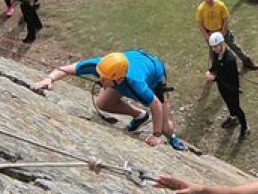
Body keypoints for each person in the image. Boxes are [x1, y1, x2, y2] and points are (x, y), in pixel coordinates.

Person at [31, 50, 186, 150]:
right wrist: (49, 79)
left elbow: (156, 105)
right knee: (102, 103)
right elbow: (66, 69)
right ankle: (139, 116)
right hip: (132, 61)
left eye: (103, 78)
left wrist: (156, 134)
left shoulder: (136, 84)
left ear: (117, 79)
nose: (99, 78)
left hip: (154, 74)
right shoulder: (102, 66)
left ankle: (172, 138)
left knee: (165, 126)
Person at [195, 0, 258, 71]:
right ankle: (215, 68)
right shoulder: (201, 9)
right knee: (213, 52)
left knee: (234, 45)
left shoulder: (220, 5)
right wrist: (206, 36)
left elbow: (225, 18)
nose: (208, 0)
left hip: (222, 30)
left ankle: (246, 61)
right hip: (210, 33)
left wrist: (223, 31)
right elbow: (200, 23)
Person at [206, 32, 247, 136]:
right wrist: (210, 71)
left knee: (236, 107)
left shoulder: (229, 59)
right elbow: (216, 65)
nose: (214, 49)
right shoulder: (217, 54)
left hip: (232, 87)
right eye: (212, 47)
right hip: (223, 86)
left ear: (222, 44)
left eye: (215, 46)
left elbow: (228, 78)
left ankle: (245, 127)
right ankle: (233, 118)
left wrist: (214, 77)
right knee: (227, 102)